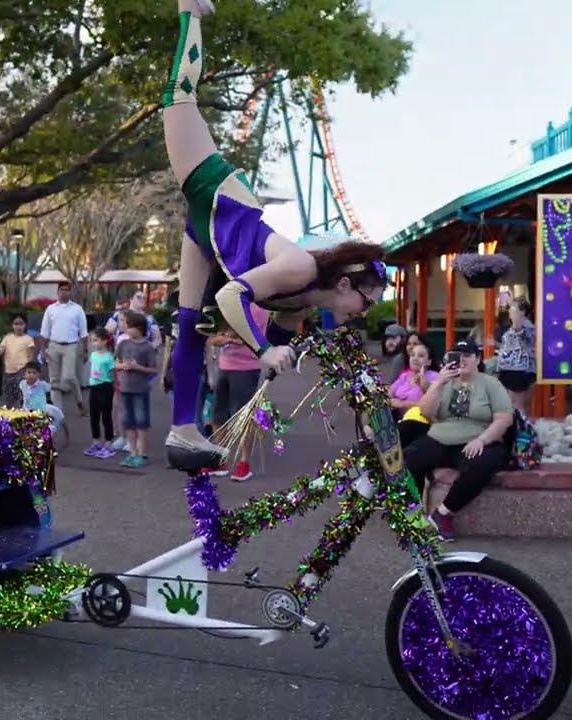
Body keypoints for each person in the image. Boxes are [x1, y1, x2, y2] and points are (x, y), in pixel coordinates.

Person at [159, 0, 388, 468]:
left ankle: (183, 431)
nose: (362, 313)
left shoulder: (303, 303)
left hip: (207, 237)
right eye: (366, 303)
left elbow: (277, 344)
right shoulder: (301, 267)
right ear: (345, 284)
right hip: (217, 192)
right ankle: (191, 12)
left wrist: (280, 356)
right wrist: (265, 349)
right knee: (180, 97)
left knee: (188, 328)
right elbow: (232, 301)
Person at [403, 340, 514, 542]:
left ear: (477, 359)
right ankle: (414, 516)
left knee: (484, 463)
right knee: (408, 459)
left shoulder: (490, 384)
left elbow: (504, 418)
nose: (461, 359)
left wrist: (482, 439)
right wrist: (438, 384)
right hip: (440, 437)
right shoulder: (444, 382)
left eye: (466, 355)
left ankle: (443, 514)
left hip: (474, 439)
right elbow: (426, 412)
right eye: (456, 354)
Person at [208, 303, 267, 482]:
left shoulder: (257, 307)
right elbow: (214, 338)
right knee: (217, 417)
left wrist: (227, 336)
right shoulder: (229, 303)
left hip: (246, 368)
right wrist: (225, 337)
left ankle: (244, 463)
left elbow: (240, 333)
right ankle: (221, 460)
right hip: (225, 367)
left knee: (242, 418)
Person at [117, 310, 159, 469]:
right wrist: (123, 366)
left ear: (138, 328)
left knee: (141, 422)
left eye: (128, 325)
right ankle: (132, 453)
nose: (125, 328)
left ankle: (142, 454)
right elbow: (116, 363)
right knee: (128, 422)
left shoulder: (147, 347)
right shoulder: (123, 344)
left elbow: (153, 369)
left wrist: (137, 367)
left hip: (140, 389)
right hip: (125, 388)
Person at [40, 282, 88, 417]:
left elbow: (83, 332)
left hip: (71, 345)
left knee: (69, 376)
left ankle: (79, 401)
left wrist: (85, 350)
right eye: (62, 290)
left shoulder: (77, 309)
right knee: (54, 380)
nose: (64, 292)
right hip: (54, 344)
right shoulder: (50, 309)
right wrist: (43, 349)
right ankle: (58, 411)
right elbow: (44, 331)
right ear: (57, 292)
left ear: (70, 292)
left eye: (67, 290)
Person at [390, 338, 439, 447]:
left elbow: (430, 404)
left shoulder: (434, 377)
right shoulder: (404, 376)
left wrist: (401, 403)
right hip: (399, 417)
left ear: (429, 361)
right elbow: (387, 395)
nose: (415, 358)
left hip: (419, 421)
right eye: (412, 355)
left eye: (420, 356)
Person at [0, 313, 36, 407]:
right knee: (8, 400)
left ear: (25, 325)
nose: (18, 327)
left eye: (21, 324)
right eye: (16, 324)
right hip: (8, 373)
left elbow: (31, 358)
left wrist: (29, 373)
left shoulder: (28, 339)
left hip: (22, 372)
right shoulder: (7, 338)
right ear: (12, 325)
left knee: (21, 398)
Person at [497, 297, 537, 417]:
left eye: (513, 309)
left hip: (518, 370)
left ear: (522, 312)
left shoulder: (525, 326)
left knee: (518, 404)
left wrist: (513, 304)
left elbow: (518, 327)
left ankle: (522, 428)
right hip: (509, 369)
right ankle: (516, 426)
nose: (510, 311)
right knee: (511, 403)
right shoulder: (513, 328)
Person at [84, 328, 118, 458]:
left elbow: (112, 374)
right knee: (94, 416)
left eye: (96, 340)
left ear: (104, 341)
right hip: (94, 387)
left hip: (105, 387)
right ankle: (96, 442)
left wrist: (112, 385)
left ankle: (108, 444)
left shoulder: (109, 357)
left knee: (106, 416)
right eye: (92, 341)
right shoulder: (93, 355)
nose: (94, 343)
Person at [19, 360, 65, 434]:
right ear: (25, 374)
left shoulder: (42, 385)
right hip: (26, 410)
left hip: (40, 410)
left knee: (57, 415)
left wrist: (60, 388)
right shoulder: (22, 384)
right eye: (29, 372)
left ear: (38, 375)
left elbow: (52, 387)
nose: (31, 375)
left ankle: (50, 434)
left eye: (34, 373)